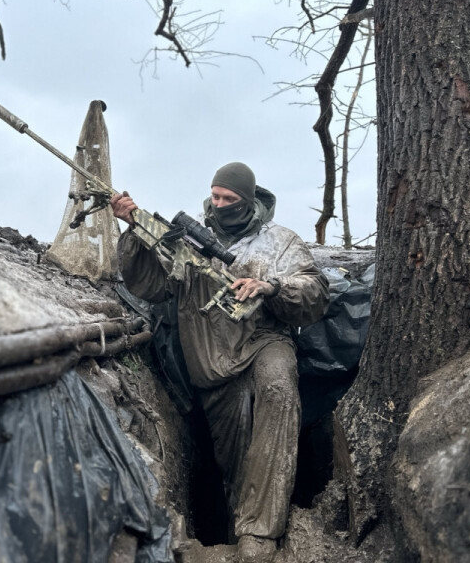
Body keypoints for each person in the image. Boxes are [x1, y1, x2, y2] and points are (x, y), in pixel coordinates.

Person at [112, 162, 328, 563]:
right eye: (215, 196)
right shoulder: (186, 238)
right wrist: (133, 231)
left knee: (278, 387)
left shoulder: (280, 242)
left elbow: (314, 292)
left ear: (248, 200)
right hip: (212, 364)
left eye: (230, 198)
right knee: (236, 461)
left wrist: (270, 286)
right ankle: (236, 537)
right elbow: (151, 286)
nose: (220, 204)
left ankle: (260, 535)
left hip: (265, 341)